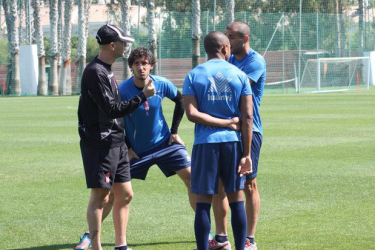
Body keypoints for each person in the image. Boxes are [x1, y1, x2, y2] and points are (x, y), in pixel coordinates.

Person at [75, 46, 196, 249]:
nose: (141, 67)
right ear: (131, 67)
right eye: (137, 63)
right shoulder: (122, 90)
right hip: (135, 152)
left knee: (192, 177)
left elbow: (180, 101)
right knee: (113, 194)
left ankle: (206, 231)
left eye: (145, 63)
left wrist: (174, 132)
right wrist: (129, 147)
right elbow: (116, 119)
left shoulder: (161, 84)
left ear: (151, 66)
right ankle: (88, 235)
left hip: (165, 144)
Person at [77, 24, 155, 250]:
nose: (126, 46)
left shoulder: (106, 69)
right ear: (112, 45)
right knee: (101, 197)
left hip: (116, 142)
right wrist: (143, 96)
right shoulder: (95, 72)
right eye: (123, 43)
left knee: (126, 194)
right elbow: (112, 109)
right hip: (101, 144)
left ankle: (120, 245)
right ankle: (95, 246)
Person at [183, 31, 254, 250]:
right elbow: (248, 117)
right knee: (236, 199)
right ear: (225, 48)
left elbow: (191, 114)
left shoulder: (193, 75)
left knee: (203, 201)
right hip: (232, 143)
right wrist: (247, 154)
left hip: (205, 144)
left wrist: (219, 123)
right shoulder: (239, 74)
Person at [210, 21, 266, 250]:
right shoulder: (230, 59)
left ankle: (249, 239)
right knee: (219, 184)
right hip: (226, 128)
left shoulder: (255, 62)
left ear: (244, 39)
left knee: (248, 183)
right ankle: (221, 238)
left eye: (231, 37)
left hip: (249, 129)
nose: (227, 41)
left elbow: (235, 87)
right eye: (225, 37)